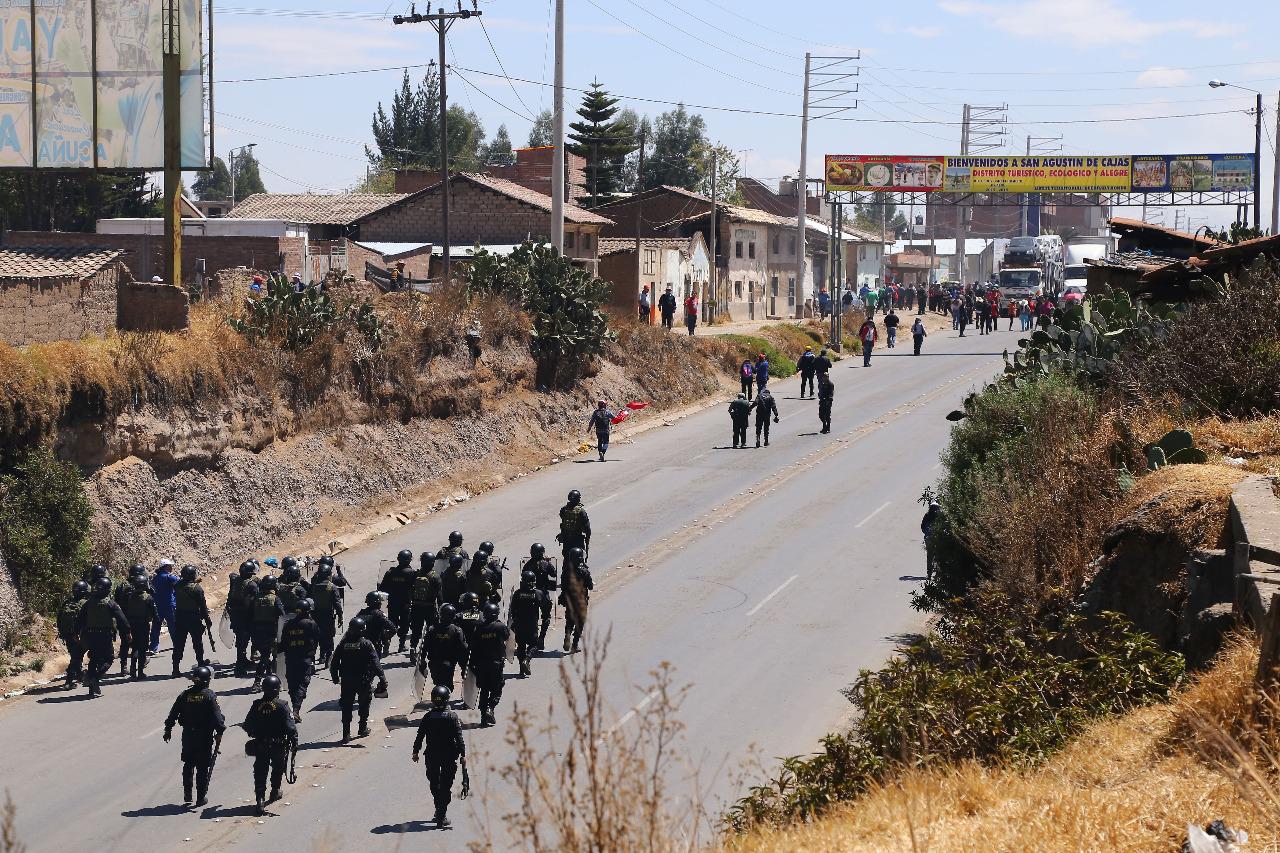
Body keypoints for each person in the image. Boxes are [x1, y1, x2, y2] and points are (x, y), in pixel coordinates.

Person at [163, 665, 225, 808]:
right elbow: (217, 717)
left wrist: (168, 729)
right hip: (204, 736)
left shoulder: (185, 695)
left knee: (188, 763)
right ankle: (201, 797)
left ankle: (187, 794)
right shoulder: (209, 695)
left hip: (188, 735)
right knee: (203, 767)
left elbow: (173, 713)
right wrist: (220, 732)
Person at [412, 685, 468, 828]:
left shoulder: (428, 717)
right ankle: (441, 815)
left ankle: (439, 810)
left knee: (434, 784)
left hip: (431, 757)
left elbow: (420, 736)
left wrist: (415, 751)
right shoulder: (452, 717)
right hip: (449, 757)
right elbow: (459, 737)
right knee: (445, 786)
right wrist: (463, 754)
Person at [243, 675, 298, 816]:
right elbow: (291, 728)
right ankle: (274, 791)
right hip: (278, 744)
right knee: (278, 768)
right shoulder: (282, 705)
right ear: (277, 689)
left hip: (261, 744)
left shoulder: (256, 705)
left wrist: (255, 733)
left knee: (260, 771)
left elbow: (247, 725)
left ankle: (260, 799)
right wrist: (294, 742)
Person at [330, 617, 387, 742]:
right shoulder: (366, 644)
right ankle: (362, 728)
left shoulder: (343, 643)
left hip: (347, 681)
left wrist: (335, 677)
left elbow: (334, 662)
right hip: (363, 680)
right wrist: (382, 679)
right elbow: (375, 662)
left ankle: (346, 734)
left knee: (346, 706)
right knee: (364, 704)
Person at [75, 578, 130, 699]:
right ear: (107, 590)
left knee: (94, 659)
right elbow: (122, 619)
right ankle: (95, 678)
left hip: (90, 635)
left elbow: (79, 619)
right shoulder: (110, 603)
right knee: (109, 659)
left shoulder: (88, 603)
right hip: (104, 635)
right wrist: (127, 632)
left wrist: (76, 633)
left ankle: (91, 686)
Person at [281, 599, 321, 722]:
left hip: (291, 660)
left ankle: (295, 708)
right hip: (305, 660)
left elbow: (283, 643)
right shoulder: (311, 623)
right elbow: (317, 639)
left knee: (293, 685)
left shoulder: (288, 624)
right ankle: (296, 710)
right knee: (302, 684)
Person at [471, 603, 510, 727]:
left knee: (484, 689)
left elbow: (474, 646)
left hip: (481, 664)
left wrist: (472, 665)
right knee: (497, 687)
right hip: (496, 664)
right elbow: (507, 636)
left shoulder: (478, 628)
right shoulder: (500, 626)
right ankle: (490, 708)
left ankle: (483, 717)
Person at [172, 565, 211, 676]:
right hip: (193, 617)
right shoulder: (197, 589)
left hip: (179, 618)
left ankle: (175, 668)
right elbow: (203, 607)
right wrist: (207, 619)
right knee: (197, 642)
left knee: (179, 644)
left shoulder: (177, 585)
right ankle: (200, 662)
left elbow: (181, 583)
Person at [421, 604, 468, 691]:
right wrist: (464, 663)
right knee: (448, 685)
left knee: (438, 682)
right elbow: (463, 647)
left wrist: (422, 660)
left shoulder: (432, 629)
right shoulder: (457, 630)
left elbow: (424, 646)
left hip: (434, 663)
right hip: (449, 664)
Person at [508, 571, 545, 678]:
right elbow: (545, 608)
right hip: (532, 624)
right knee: (534, 645)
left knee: (521, 646)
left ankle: (521, 669)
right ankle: (527, 659)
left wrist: (514, 623)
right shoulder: (538, 593)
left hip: (519, 624)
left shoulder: (517, 593)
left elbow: (512, 610)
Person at [250, 575, 285, 686]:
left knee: (266, 655)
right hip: (271, 630)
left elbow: (249, 614)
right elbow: (282, 615)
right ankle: (257, 680)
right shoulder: (275, 598)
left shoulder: (256, 598)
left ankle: (269, 675)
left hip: (257, 631)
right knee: (268, 656)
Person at [379, 549, 416, 654]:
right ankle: (401, 645)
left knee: (391, 624)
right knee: (404, 625)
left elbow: (382, 588)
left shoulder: (390, 572)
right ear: (409, 560)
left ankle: (387, 641)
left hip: (392, 603)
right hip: (405, 604)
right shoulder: (411, 573)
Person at [309, 558, 344, 667]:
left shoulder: (313, 585)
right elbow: (337, 603)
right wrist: (340, 616)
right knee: (328, 638)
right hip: (327, 616)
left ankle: (313, 661)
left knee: (314, 638)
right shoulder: (331, 587)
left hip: (314, 616)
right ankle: (328, 658)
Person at [122, 573, 158, 679]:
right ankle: (140, 672)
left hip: (132, 624)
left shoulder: (130, 597)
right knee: (142, 649)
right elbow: (155, 613)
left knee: (134, 648)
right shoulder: (148, 598)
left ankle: (133, 671)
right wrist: (157, 622)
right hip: (143, 625)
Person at [523, 543, 558, 650]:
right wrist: (548, 561)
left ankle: (533, 638)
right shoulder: (545, 564)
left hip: (530, 594)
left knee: (531, 617)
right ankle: (541, 638)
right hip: (542, 594)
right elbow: (554, 574)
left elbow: (523, 577)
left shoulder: (527, 565)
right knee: (546, 617)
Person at [560, 547, 593, 654]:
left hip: (569, 600)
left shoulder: (566, 571)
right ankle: (574, 645)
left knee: (569, 620)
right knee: (580, 622)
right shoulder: (584, 571)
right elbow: (591, 586)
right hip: (581, 601)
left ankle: (567, 636)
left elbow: (563, 586)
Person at [57, 581, 90, 689]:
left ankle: (80, 675)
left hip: (67, 635)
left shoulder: (67, 602)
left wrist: (62, 632)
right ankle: (69, 681)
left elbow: (59, 618)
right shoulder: (85, 603)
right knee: (76, 657)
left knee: (75, 656)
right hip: (80, 635)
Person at [408, 555, 442, 656]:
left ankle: (413, 647)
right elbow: (439, 596)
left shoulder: (415, 574)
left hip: (416, 607)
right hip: (429, 607)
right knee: (432, 629)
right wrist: (440, 609)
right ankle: (430, 649)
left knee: (416, 630)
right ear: (432, 563)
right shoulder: (435, 576)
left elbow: (409, 590)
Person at [229, 562, 257, 677]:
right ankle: (240, 667)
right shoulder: (252, 585)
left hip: (236, 616)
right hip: (247, 616)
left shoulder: (235, 581)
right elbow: (256, 601)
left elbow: (230, 597)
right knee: (244, 641)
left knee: (240, 641)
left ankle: (243, 661)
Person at [357, 591, 397, 658]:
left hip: (360, 645)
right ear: (377, 603)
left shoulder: (361, 613)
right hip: (374, 646)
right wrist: (385, 638)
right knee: (376, 667)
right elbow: (393, 629)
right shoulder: (379, 614)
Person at [151, 560, 178, 653]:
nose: (171, 568)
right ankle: (177, 644)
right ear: (166, 566)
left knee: (156, 627)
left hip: (158, 606)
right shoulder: (170, 577)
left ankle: (153, 647)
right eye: (170, 566)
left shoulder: (155, 578)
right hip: (169, 606)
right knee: (173, 625)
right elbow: (180, 585)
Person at [557, 490, 591, 561]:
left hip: (566, 540)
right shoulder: (581, 511)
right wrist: (587, 542)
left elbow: (563, 522)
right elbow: (587, 529)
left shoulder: (563, 510)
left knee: (566, 560)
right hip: (577, 540)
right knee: (579, 560)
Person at [921, 500, 941, 579]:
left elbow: (922, 527)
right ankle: (937, 574)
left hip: (928, 538)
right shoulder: (940, 515)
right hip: (938, 539)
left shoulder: (927, 515)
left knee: (930, 556)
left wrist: (927, 534)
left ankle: (929, 574)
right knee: (938, 556)